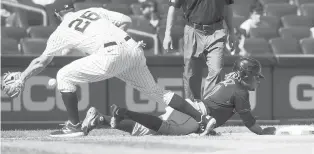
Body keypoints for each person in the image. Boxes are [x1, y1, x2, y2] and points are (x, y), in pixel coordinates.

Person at [14, 4, 216, 137]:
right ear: (73, 8)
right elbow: (126, 20)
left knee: (63, 75)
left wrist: (22, 77)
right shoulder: (93, 11)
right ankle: (202, 118)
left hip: (110, 54)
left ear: (58, 15)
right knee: (157, 93)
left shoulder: (61, 29)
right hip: (133, 47)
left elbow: (42, 61)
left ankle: (74, 126)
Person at [82, 57, 276, 136]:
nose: (258, 81)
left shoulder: (229, 82)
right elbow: (250, 123)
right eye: (256, 77)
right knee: (160, 129)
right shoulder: (240, 91)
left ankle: (100, 119)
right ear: (245, 75)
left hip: (193, 109)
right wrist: (263, 132)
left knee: (151, 129)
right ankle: (126, 113)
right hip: (196, 116)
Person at [163, 0, 237, 102]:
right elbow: (172, 7)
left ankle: (207, 108)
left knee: (216, 70)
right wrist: (167, 34)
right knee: (191, 73)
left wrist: (232, 32)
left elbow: (228, 7)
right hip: (193, 30)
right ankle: (194, 107)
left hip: (216, 30)